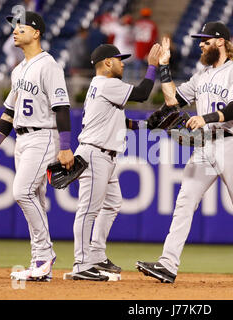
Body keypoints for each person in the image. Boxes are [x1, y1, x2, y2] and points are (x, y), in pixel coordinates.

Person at [136, 21, 233, 286]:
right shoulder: (202, 75)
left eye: (205, 40)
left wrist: (206, 117)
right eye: (200, 40)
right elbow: (172, 99)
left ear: (221, 42)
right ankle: (167, 264)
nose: (200, 44)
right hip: (206, 145)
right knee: (184, 202)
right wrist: (164, 66)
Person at [0, 11, 74, 282]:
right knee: (37, 200)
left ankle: (45, 254)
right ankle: (40, 265)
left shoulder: (49, 65)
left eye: (22, 27)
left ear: (36, 33)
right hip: (22, 139)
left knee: (22, 192)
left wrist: (65, 146)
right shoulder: (18, 70)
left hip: (43, 136)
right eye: (14, 27)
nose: (15, 30)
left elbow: (62, 106)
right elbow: (9, 112)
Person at [70, 43, 162, 281]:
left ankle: (97, 255)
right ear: (108, 63)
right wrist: (152, 66)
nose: (123, 63)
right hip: (94, 154)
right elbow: (142, 94)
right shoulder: (107, 83)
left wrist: (147, 126)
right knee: (88, 210)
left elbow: (119, 121)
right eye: (119, 59)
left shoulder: (100, 86)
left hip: (105, 155)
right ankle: (81, 263)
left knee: (112, 203)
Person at [133, 7, 158, 79]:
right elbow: (155, 38)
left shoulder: (137, 23)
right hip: (148, 48)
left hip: (139, 47)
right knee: (149, 67)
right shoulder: (152, 24)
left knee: (137, 68)